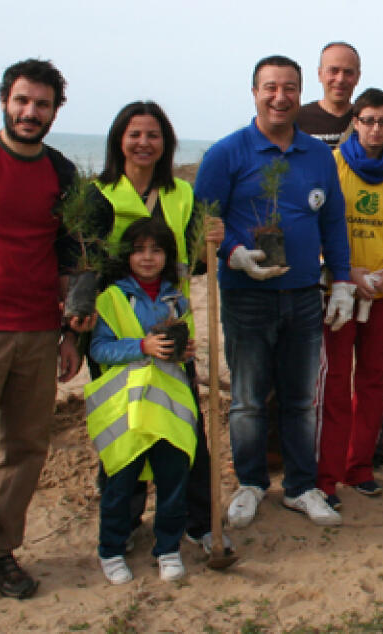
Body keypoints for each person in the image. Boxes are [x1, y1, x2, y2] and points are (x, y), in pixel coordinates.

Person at [0, 59, 90, 617]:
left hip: (36, 334)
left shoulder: (61, 173)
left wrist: (68, 334)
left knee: (26, 449)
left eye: (43, 104)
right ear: (6, 100)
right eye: (23, 101)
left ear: (56, 110)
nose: (31, 112)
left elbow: (70, 256)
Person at [194, 55, 351, 528]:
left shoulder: (318, 156)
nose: (279, 96)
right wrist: (234, 254)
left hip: (304, 295)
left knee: (301, 399)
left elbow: (332, 221)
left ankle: (302, 487)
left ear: (300, 92)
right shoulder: (226, 153)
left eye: (289, 87)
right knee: (247, 398)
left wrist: (340, 280)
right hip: (246, 295)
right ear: (255, 92)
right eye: (270, 87)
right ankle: (251, 482)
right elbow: (203, 221)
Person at [87, 100, 229, 558]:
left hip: (172, 328)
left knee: (183, 425)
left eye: (153, 135)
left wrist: (213, 245)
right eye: (135, 134)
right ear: (119, 140)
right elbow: (84, 266)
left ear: (165, 142)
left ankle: (197, 521)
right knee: (125, 428)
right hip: (119, 327)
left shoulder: (180, 195)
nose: (143, 143)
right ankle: (124, 521)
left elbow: (196, 265)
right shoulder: (100, 194)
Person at [316, 88, 383, 504]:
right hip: (340, 288)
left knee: (374, 381)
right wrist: (347, 273)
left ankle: (359, 468)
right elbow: (318, 226)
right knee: (335, 382)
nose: (375, 129)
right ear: (354, 122)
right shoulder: (332, 165)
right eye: (368, 120)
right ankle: (327, 474)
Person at [88, 218, 198, 585]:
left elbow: (184, 346)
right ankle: (112, 550)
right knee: (120, 483)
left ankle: (167, 548)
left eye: (156, 250)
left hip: (167, 405)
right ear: (128, 256)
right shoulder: (112, 298)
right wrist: (142, 347)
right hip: (127, 408)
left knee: (173, 479)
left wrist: (184, 352)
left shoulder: (177, 298)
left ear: (168, 255)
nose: (148, 258)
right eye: (139, 250)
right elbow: (100, 347)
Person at [297, 42, 361, 149]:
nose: (340, 79)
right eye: (333, 71)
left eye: (348, 72)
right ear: (320, 74)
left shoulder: (367, 120)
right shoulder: (297, 119)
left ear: (357, 77)